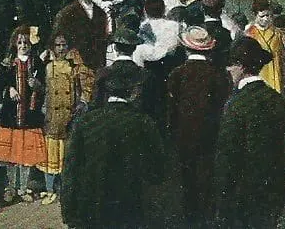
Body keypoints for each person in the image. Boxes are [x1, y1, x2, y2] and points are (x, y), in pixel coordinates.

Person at [60, 63, 167, 229]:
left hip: (90, 212)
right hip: (130, 212)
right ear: (134, 92)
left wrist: (69, 213)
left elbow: (70, 171)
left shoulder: (85, 122)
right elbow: (158, 173)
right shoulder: (144, 123)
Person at [213, 37, 285, 228]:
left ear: (241, 66)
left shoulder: (235, 105)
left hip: (242, 194)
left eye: (230, 65)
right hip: (273, 189)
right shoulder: (277, 100)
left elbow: (227, 155)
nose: (227, 69)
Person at [166, 26, 233, 226]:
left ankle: (190, 218)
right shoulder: (218, 74)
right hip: (212, 134)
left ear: (186, 49)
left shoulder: (177, 74)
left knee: (187, 178)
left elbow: (171, 108)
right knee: (209, 176)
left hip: (184, 135)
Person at [0, 26, 49, 203]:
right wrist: (9, 89)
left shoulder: (38, 64)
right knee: (11, 156)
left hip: (30, 115)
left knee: (26, 156)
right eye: (20, 43)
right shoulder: (7, 63)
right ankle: (10, 187)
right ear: (15, 45)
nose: (23, 45)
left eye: (26, 42)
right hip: (11, 115)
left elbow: (45, 88)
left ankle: (23, 188)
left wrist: (37, 85)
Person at [39, 31, 94, 206]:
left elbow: (88, 84)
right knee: (51, 155)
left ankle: (66, 190)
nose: (61, 48)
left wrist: (83, 102)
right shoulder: (47, 66)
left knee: (67, 156)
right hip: (52, 118)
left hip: (70, 118)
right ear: (52, 47)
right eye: (58, 45)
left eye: (64, 45)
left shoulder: (75, 66)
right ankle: (49, 190)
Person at [53, 0, 110, 70]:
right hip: (74, 68)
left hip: (97, 67)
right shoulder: (66, 14)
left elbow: (103, 43)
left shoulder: (100, 13)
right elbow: (57, 41)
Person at [245, 0, 285, 94]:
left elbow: (284, 58)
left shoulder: (278, 33)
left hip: (276, 76)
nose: (266, 19)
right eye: (262, 16)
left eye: (268, 15)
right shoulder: (249, 34)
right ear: (255, 15)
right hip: (260, 75)